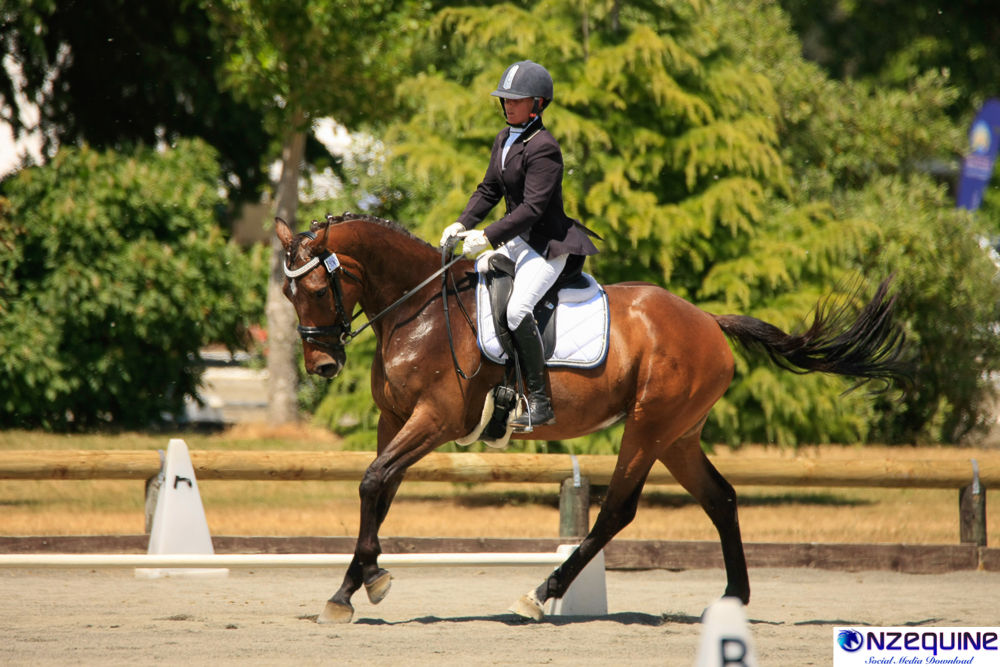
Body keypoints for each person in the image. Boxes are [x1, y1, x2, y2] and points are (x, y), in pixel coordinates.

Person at [440, 60, 599, 430]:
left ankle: (540, 401)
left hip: (547, 245)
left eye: (516, 100)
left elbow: (532, 209)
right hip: (517, 240)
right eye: (505, 99)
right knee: (474, 280)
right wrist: (463, 222)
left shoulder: (545, 148)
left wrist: (487, 236)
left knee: (515, 312)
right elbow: (489, 190)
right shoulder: (504, 138)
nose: (508, 105)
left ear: (537, 104)